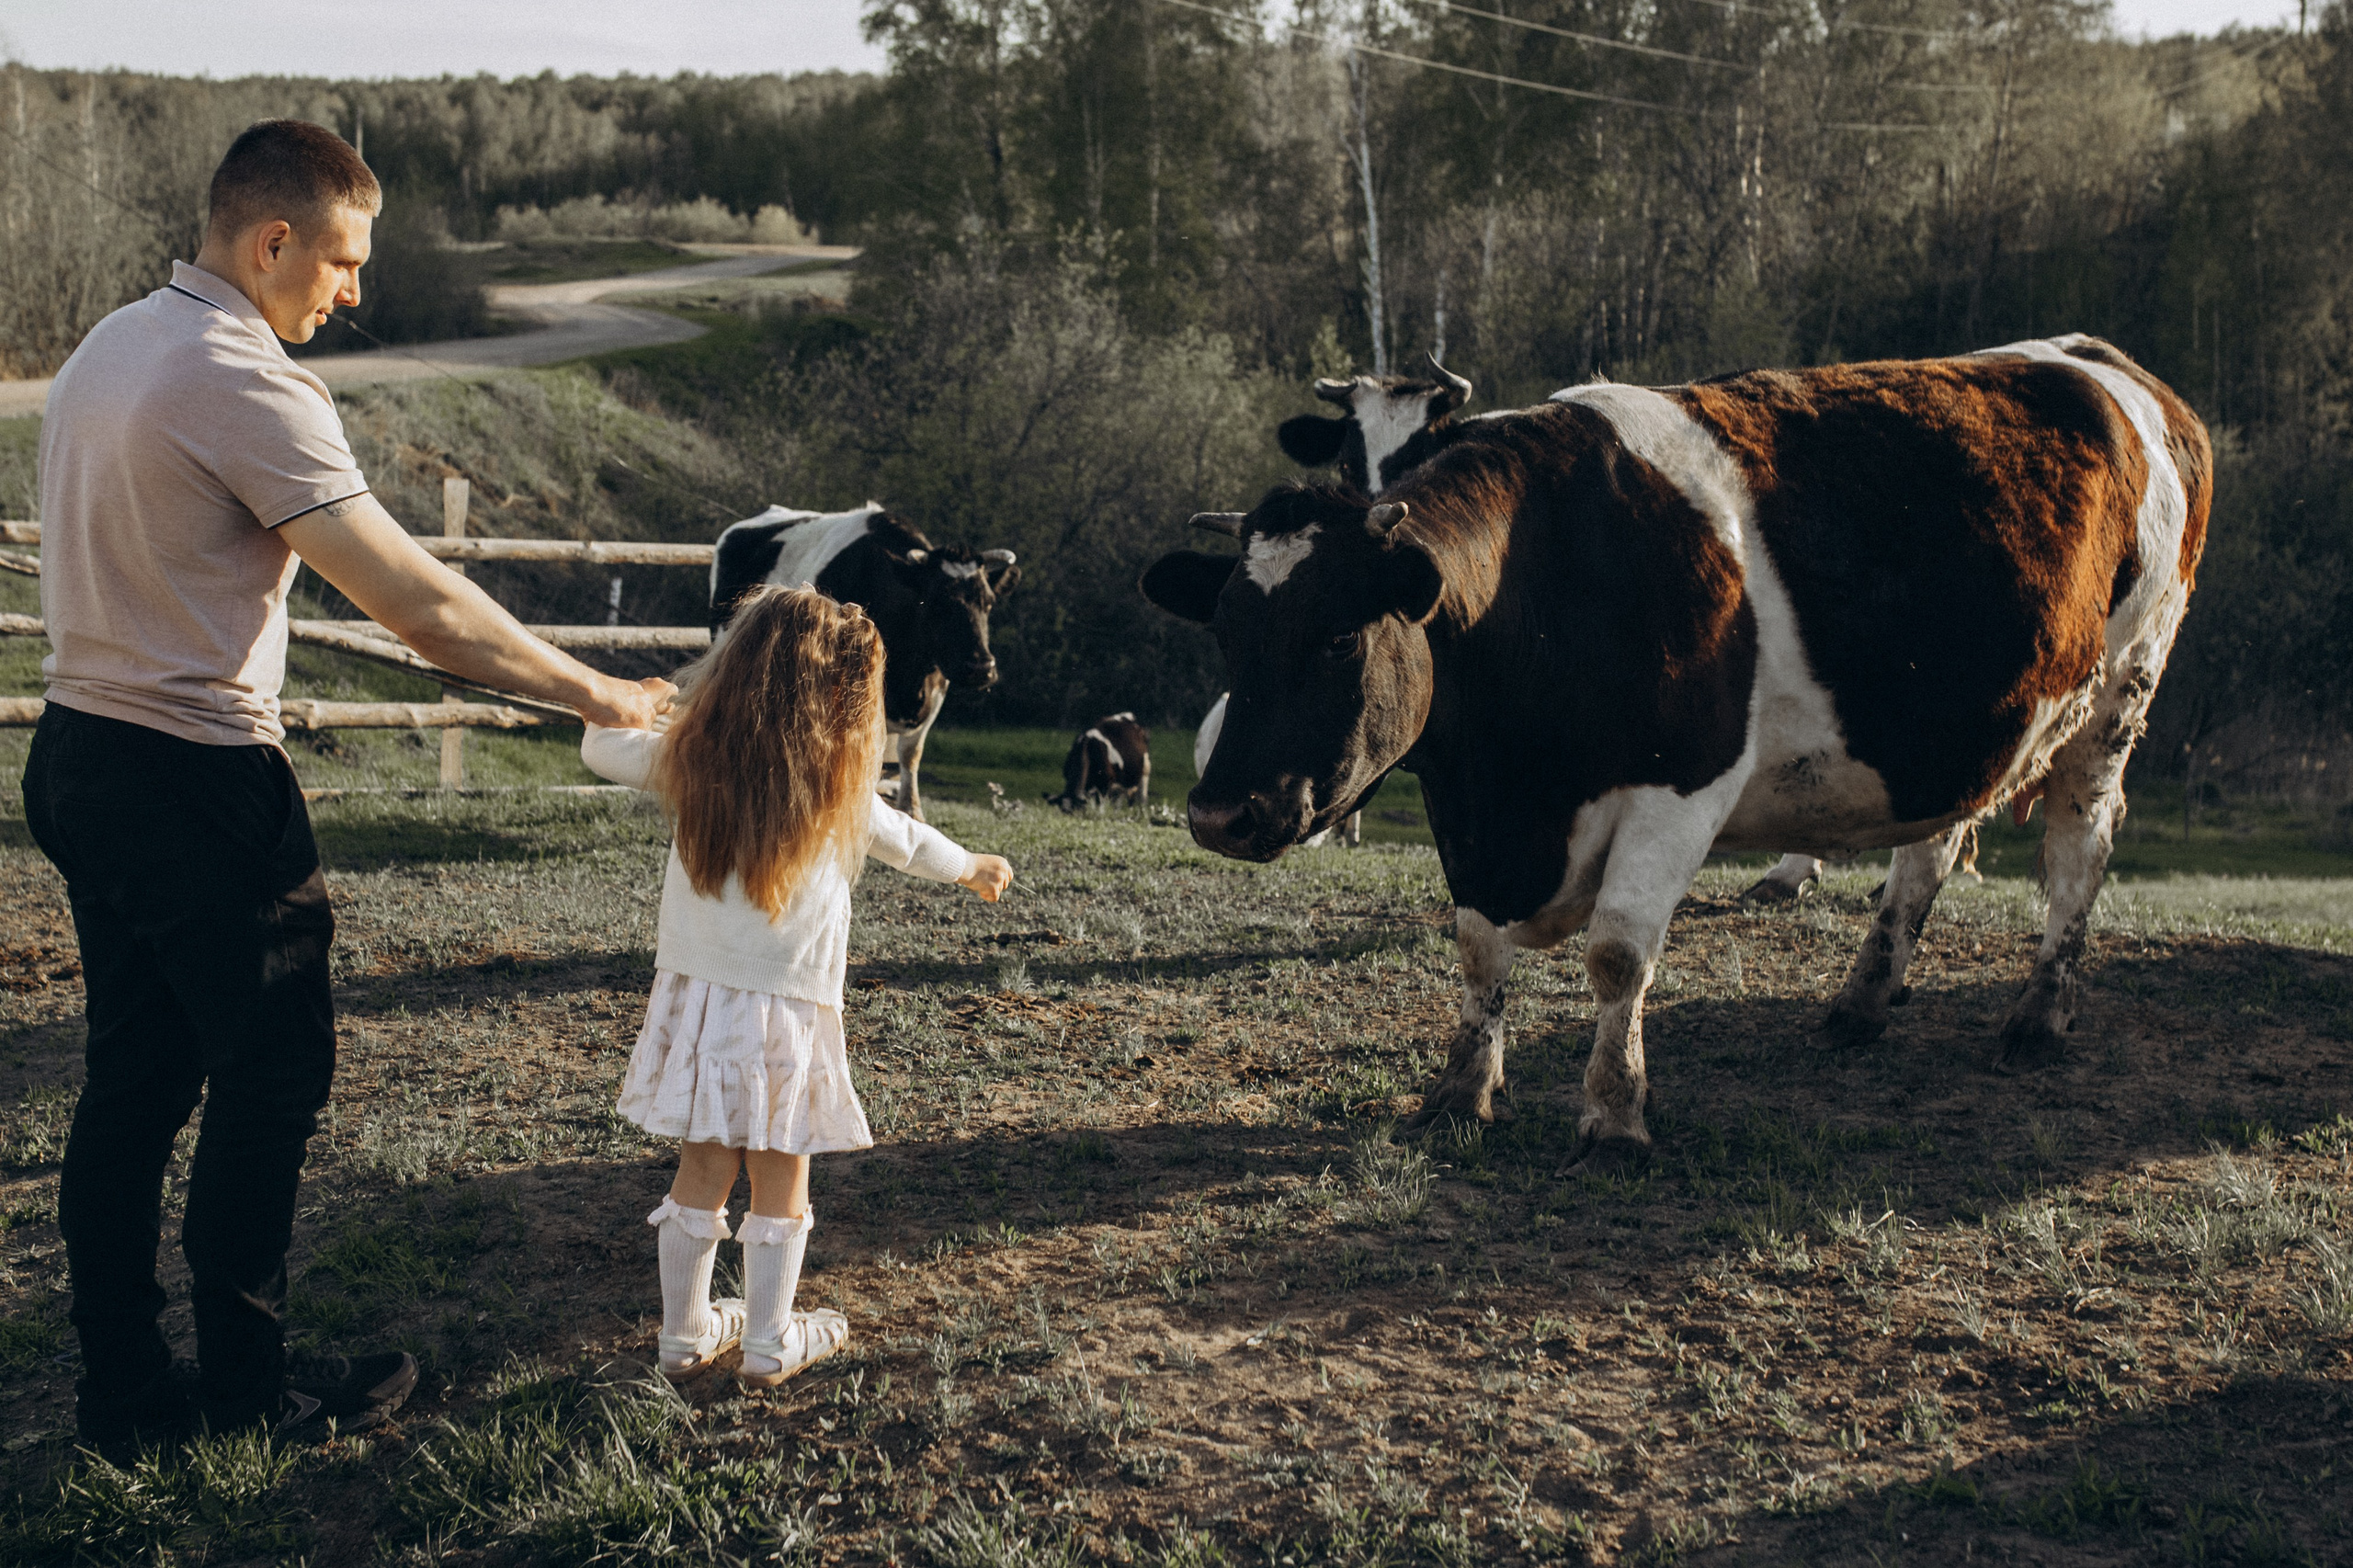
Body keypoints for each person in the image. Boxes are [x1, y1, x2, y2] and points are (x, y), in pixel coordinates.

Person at [22, 119, 671, 1453]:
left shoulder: (111, 342)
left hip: (78, 753)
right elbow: (424, 608)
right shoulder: (243, 380)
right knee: (272, 1077)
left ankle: (127, 1398)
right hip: (196, 777)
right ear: (272, 242)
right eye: (342, 259)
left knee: (134, 1082)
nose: (354, 289)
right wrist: (599, 693)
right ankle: (253, 1398)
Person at [580, 585, 1011, 1387]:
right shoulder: (836, 782)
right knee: (782, 1167)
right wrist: (973, 867)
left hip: (701, 999)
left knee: (702, 1164)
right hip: (786, 1009)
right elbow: (905, 841)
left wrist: (629, 704)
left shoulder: (687, 753)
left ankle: (683, 1336)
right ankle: (771, 1340)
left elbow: (601, 752)